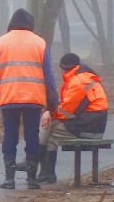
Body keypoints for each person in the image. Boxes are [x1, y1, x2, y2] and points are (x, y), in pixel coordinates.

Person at [0, 8, 60, 191]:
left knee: (10, 136)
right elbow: (49, 75)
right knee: (32, 136)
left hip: (9, 97)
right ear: (30, 24)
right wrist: (52, 102)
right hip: (33, 98)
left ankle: (9, 179)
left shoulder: (1, 42)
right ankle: (31, 179)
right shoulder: (40, 43)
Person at [38, 53, 110, 184]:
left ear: (64, 67)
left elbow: (66, 112)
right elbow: (70, 109)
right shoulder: (85, 77)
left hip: (89, 127)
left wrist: (49, 112)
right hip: (93, 124)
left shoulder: (78, 81)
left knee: (49, 129)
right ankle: (42, 171)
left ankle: (38, 165)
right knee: (50, 126)